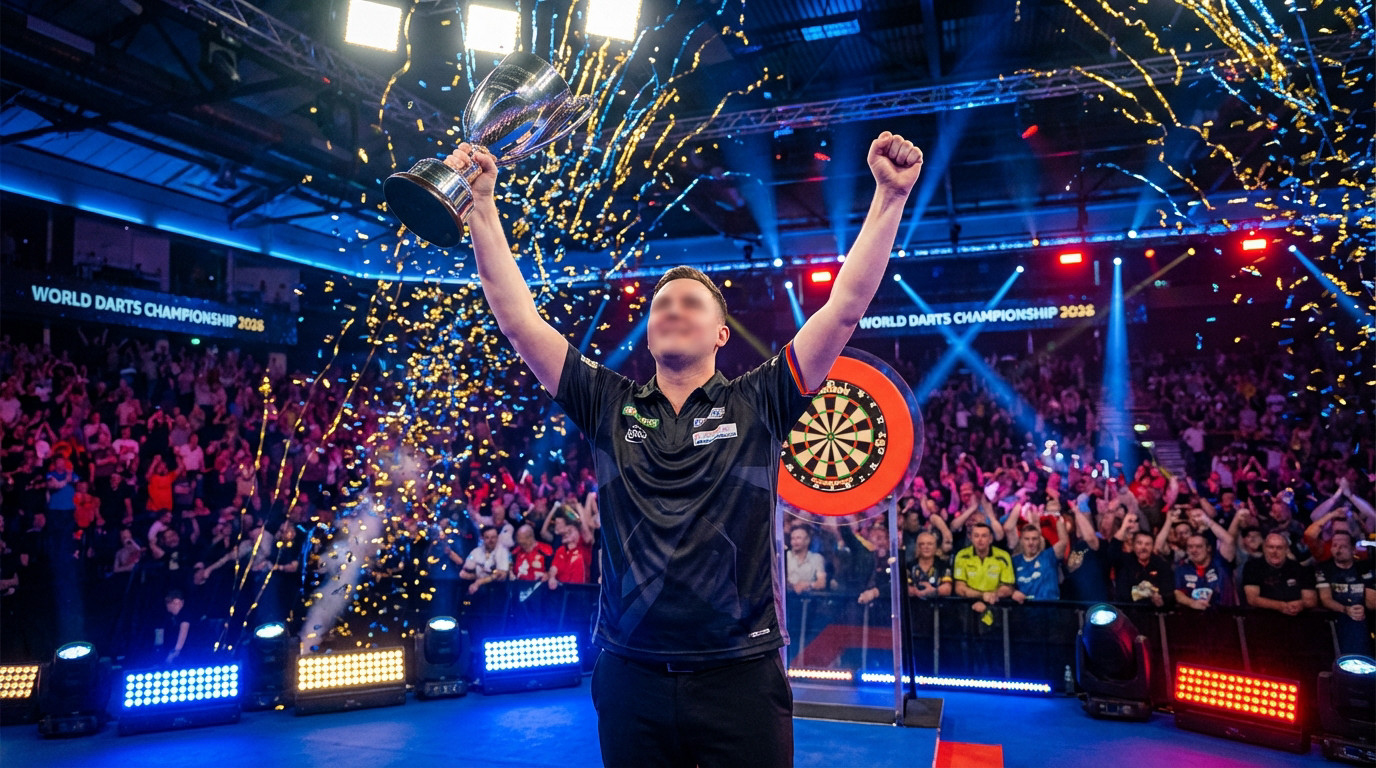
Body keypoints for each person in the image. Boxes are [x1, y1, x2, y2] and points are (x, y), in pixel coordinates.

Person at [446, 127, 922, 767]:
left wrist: (888, 198)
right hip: (629, 672)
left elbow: (842, 308)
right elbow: (517, 317)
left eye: (690, 302)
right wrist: (482, 204)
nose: (672, 309)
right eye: (662, 302)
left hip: (740, 673)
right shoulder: (608, 402)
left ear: (722, 332)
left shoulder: (760, 400)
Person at [1315, 531, 1376, 655]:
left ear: (1353, 550)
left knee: (1360, 620)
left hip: (1364, 617)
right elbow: (1325, 599)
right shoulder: (1323, 568)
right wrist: (1345, 609)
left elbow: (1372, 603)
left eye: (1343, 546)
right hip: (1337, 615)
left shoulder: (1365, 567)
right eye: (1335, 545)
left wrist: (1360, 609)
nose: (1338, 549)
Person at [1241, 533, 1318, 615]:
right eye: (1271, 547)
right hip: (1264, 617)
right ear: (1264, 549)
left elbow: (1311, 600)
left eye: (1279, 548)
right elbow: (1252, 599)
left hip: (1296, 617)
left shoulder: (1298, 568)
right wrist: (1280, 606)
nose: (1274, 551)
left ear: (1286, 550)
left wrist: (1301, 604)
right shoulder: (1252, 567)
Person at [1174, 533, 1237, 610]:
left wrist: (1208, 521)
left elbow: (1229, 541)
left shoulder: (1221, 564)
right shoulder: (1182, 568)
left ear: (1208, 548)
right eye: (1190, 547)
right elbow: (1178, 593)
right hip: (1193, 616)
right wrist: (1192, 603)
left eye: (1199, 546)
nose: (1194, 550)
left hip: (1224, 614)